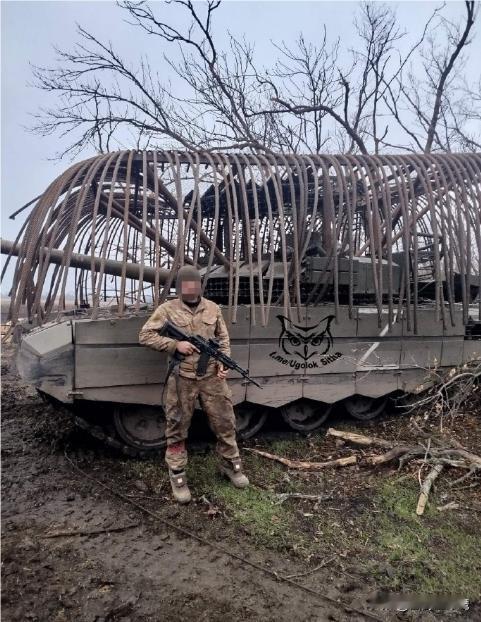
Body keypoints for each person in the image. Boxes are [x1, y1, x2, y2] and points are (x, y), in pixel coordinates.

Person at [139, 265, 249, 503]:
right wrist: (174, 345)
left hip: (212, 378)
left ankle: (231, 464)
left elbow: (223, 338)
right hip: (182, 378)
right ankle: (177, 474)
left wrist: (223, 362)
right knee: (177, 425)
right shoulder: (167, 309)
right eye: (186, 285)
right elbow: (145, 335)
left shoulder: (213, 308)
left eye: (194, 284)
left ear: (200, 285)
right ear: (180, 287)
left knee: (225, 421)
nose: (191, 289)